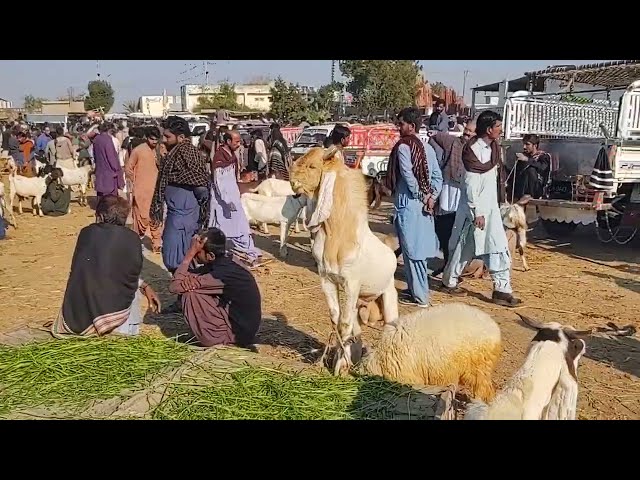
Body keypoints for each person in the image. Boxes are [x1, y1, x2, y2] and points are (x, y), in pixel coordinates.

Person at [51, 196, 161, 338]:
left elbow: (89, 271)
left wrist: (145, 286)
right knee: (131, 293)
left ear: (100, 216)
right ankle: (127, 332)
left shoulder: (86, 233)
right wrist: (145, 286)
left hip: (79, 315)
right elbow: (128, 276)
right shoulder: (132, 239)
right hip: (116, 315)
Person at [441, 110, 521, 307]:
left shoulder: (494, 148)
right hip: (474, 212)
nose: (501, 130)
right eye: (498, 127)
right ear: (488, 129)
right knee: (463, 249)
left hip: (490, 209)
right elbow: (470, 184)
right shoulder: (473, 151)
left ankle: (502, 289)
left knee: (498, 247)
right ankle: (449, 281)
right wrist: (476, 212)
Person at [385, 107, 443, 307]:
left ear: (412, 125)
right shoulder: (427, 148)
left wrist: (423, 195)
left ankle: (421, 297)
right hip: (424, 207)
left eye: (401, 124)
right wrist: (431, 197)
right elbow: (437, 177)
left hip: (409, 206)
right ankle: (416, 290)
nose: (398, 127)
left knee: (413, 252)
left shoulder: (403, 147)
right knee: (416, 251)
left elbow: (409, 177)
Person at [169, 228, 262, 348]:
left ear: (210, 256)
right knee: (192, 288)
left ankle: (214, 339)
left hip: (237, 334)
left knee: (190, 294)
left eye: (198, 252)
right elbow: (185, 278)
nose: (195, 255)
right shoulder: (228, 260)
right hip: (241, 326)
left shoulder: (221, 274)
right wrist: (190, 278)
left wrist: (189, 256)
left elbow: (174, 287)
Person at [150, 116, 210, 274]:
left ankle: (187, 295)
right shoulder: (174, 154)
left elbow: (200, 184)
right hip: (178, 217)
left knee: (178, 260)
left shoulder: (186, 151)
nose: (163, 140)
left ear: (181, 137)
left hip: (184, 219)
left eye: (167, 136)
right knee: (175, 259)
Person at [428, 120, 476, 277]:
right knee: (444, 226)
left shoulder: (478, 149)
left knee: (459, 230)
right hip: (448, 188)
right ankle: (447, 263)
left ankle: (453, 268)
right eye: (466, 130)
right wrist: (441, 158)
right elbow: (435, 137)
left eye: (471, 131)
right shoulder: (452, 142)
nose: (467, 133)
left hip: (464, 191)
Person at [209, 130, 262, 266]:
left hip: (232, 198)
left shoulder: (231, 155)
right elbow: (219, 182)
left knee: (240, 227)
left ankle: (251, 253)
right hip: (224, 202)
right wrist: (227, 200)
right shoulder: (220, 158)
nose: (239, 144)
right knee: (223, 228)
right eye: (236, 141)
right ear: (228, 142)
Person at [126, 126, 163, 253]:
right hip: (141, 190)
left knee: (156, 216)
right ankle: (137, 240)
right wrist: (135, 182)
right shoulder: (138, 150)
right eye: (152, 139)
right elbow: (128, 168)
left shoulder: (160, 150)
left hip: (156, 190)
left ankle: (156, 242)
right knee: (141, 217)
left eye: (156, 139)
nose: (154, 142)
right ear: (147, 138)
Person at [512, 133, 551, 201]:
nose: (524, 147)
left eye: (527, 144)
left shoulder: (543, 156)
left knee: (531, 170)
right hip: (523, 189)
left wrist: (527, 160)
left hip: (537, 189)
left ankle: (531, 196)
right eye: (524, 144)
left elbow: (543, 167)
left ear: (535, 145)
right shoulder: (524, 156)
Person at [92, 123, 124, 197]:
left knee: (100, 194)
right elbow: (111, 157)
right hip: (109, 173)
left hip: (100, 170)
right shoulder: (107, 140)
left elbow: (94, 155)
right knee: (110, 196)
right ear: (109, 130)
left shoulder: (96, 139)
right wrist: (117, 169)